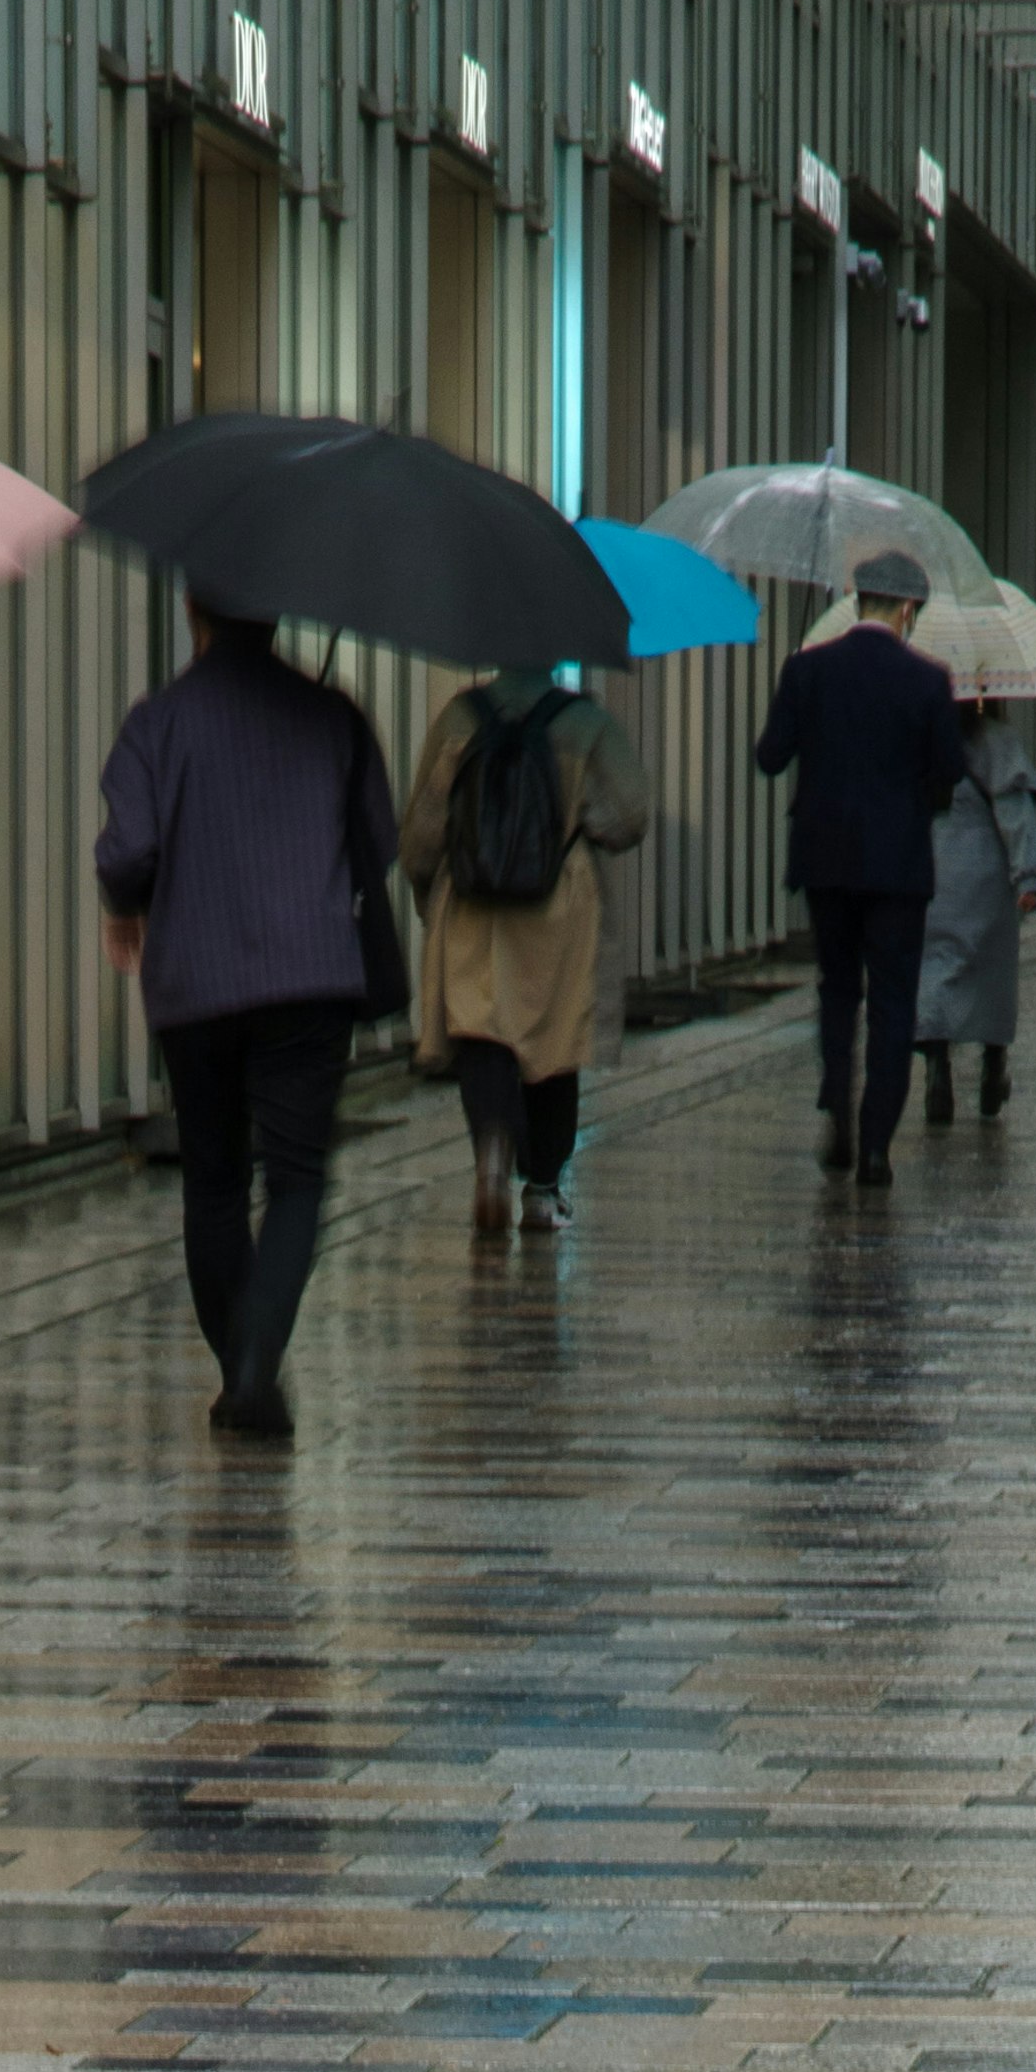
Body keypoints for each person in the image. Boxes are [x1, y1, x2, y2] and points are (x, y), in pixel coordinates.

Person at [94, 599, 400, 1445]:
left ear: (193, 611)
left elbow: (128, 852)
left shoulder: (157, 723)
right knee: (297, 1180)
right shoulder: (331, 715)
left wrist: (126, 903)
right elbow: (382, 837)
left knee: (215, 1182)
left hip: (197, 983)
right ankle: (257, 1362)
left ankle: (242, 1367)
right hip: (310, 978)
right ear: (276, 616)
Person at [397, 660, 649, 1233]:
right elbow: (632, 815)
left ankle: (491, 1152)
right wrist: (578, 819)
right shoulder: (586, 722)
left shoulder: (461, 716)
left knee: (481, 1030)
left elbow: (423, 828)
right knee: (554, 1042)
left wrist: (423, 889)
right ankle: (541, 1188)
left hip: (472, 897)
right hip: (557, 901)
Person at [754, 544, 971, 1185]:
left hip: (826, 859)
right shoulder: (929, 681)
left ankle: (836, 1101)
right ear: (907, 609)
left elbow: (771, 756)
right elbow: (949, 774)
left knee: (837, 987)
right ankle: (877, 1140)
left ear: (857, 603)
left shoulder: (807, 669)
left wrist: (794, 701)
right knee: (893, 998)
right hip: (899, 864)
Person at [919, 683, 1036, 1122]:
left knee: (937, 967)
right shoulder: (997, 739)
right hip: (986, 872)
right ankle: (994, 1069)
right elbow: (1016, 812)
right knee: (993, 974)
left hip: (931, 868)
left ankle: (938, 1069)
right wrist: (1026, 875)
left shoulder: (918, 735)